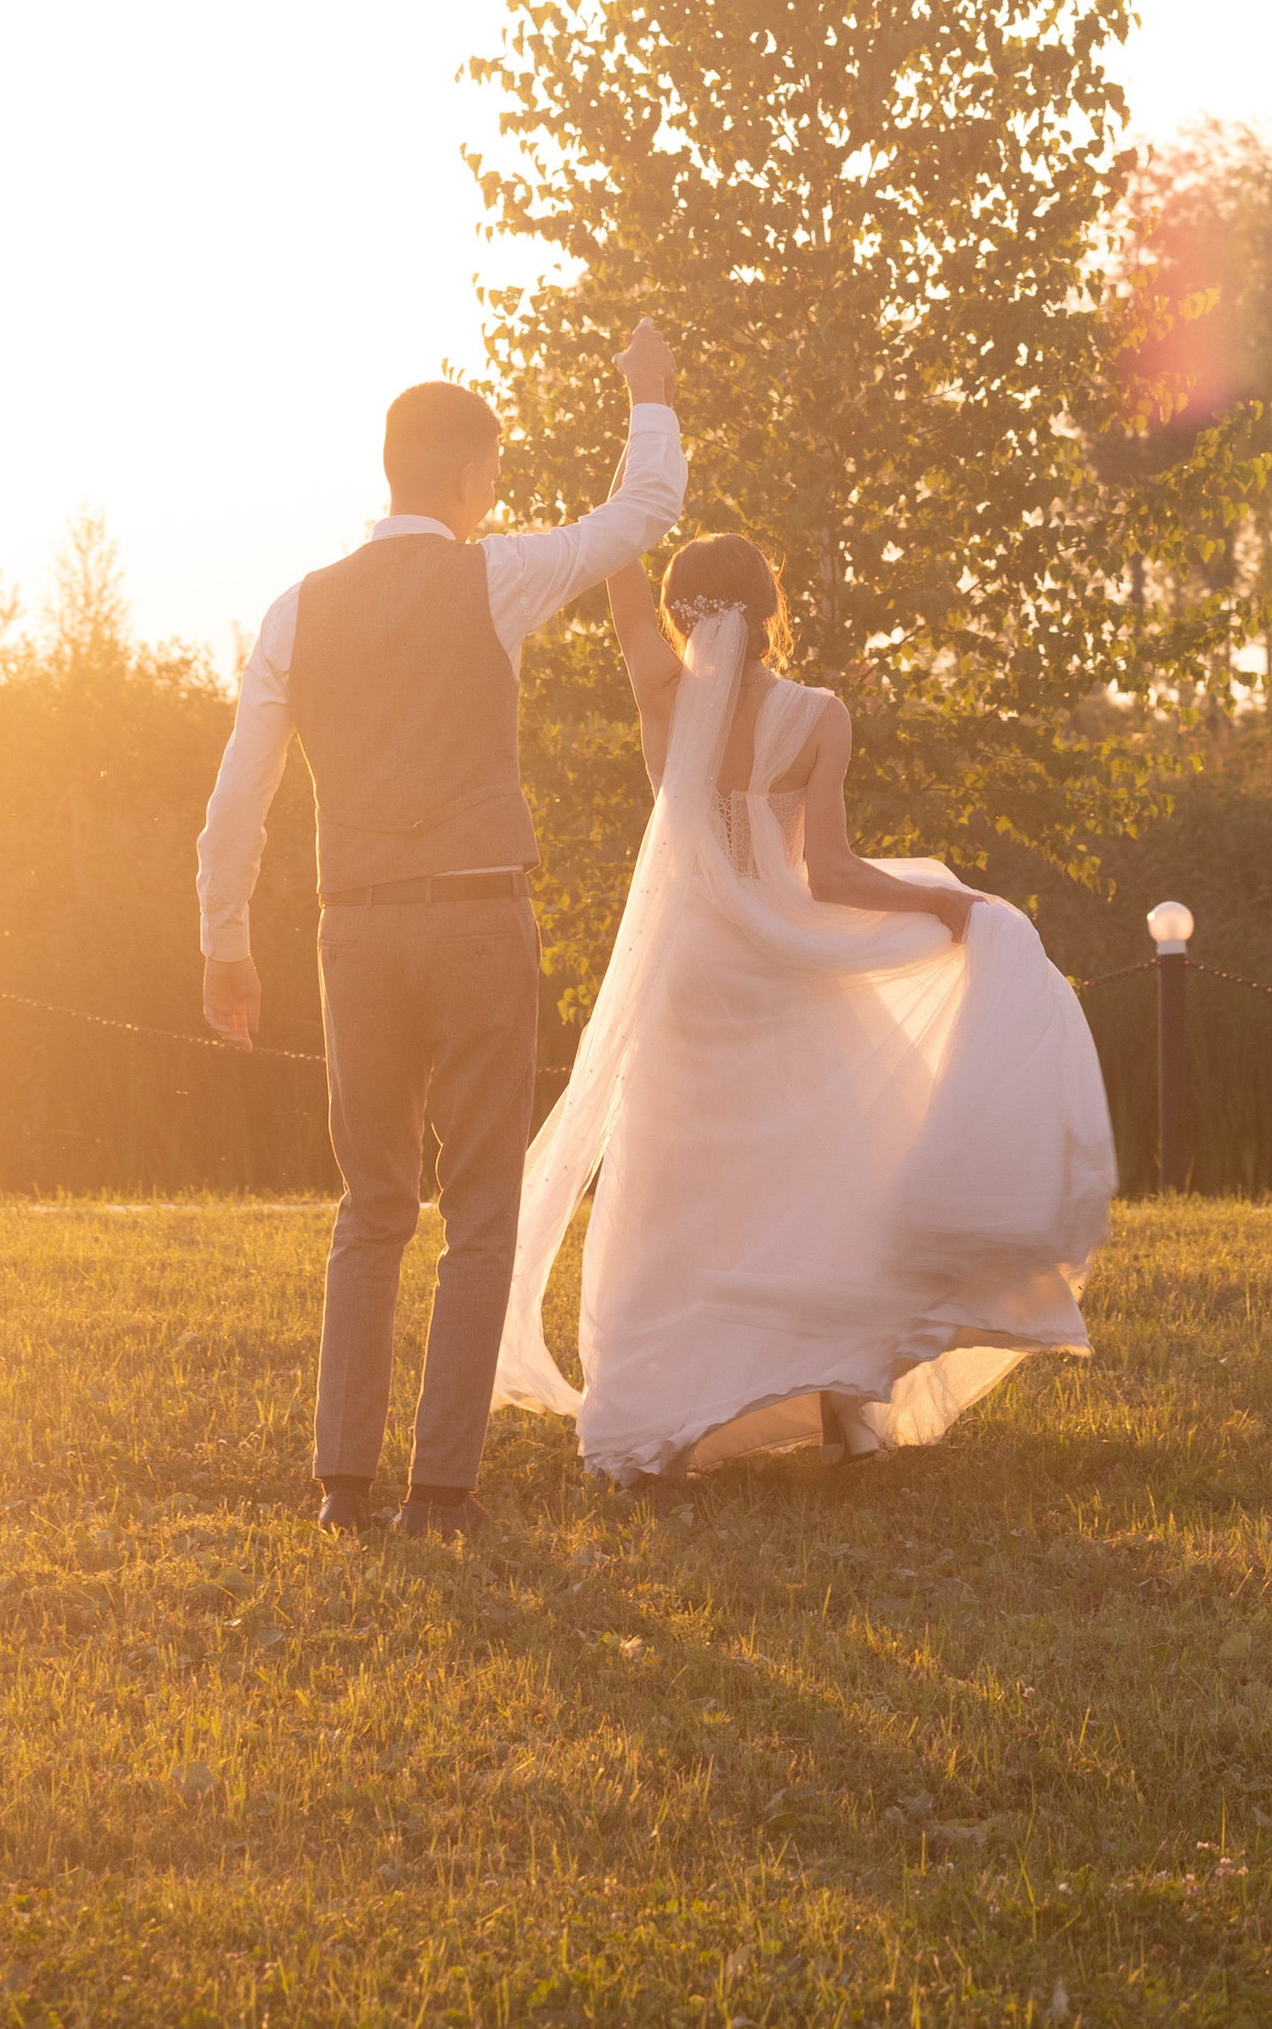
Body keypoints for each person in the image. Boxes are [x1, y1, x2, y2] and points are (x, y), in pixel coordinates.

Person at [493, 530, 1115, 1481]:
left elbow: (620, 574)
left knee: (677, 1194)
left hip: (690, 975)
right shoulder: (820, 715)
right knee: (819, 1183)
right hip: (781, 972)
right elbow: (827, 874)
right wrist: (942, 902)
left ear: (677, 615)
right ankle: (840, 1415)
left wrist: (643, 430)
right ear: (772, 608)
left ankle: (653, 1421)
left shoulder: (662, 694)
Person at [198, 327, 686, 1539]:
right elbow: (641, 512)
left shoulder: (294, 611)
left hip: (352, 935)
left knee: (370, 1206)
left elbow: (236, 796)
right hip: (476, 923)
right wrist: (647, 395)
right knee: (478, 1212)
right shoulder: (493, 575)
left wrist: (224, 942)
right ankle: (440, 1494)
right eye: (492, 477)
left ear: (387, 471)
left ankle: (339, 1488)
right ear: (468, 480)